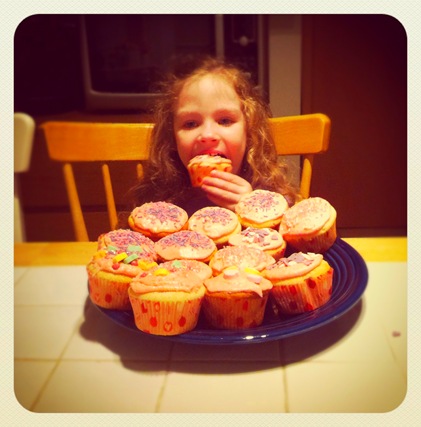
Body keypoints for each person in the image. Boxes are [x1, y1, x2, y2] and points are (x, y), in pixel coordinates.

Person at [128, 57, 300, 217]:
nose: (207, 135)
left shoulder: (268, 193)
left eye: (224, 121)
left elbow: (301, 234)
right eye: (191, 124)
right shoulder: (163, 197)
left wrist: (254, 210)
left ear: (249, 131)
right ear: (172, 138)